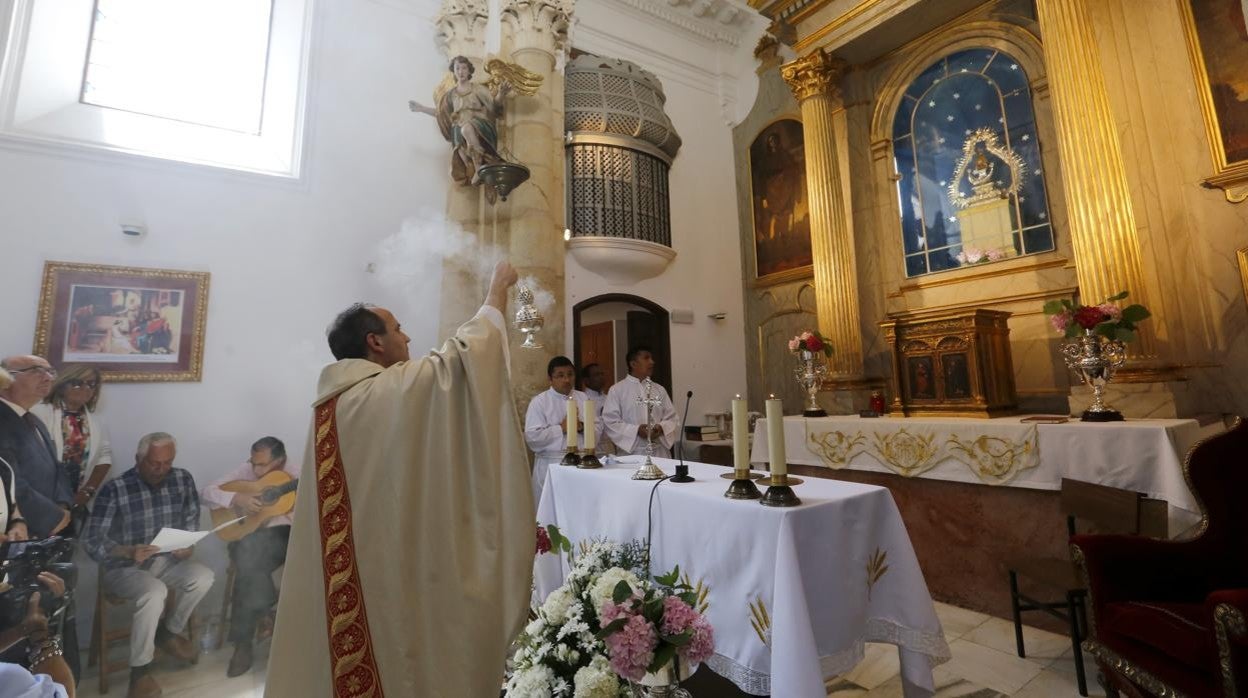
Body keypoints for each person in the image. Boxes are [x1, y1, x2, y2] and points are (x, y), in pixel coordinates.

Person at [265, 261, 533, 698]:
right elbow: (462, 360)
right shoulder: (380, 392)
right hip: (385, 571)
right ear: (374, 342)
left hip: (364, 561)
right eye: (398, 328)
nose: (407, 337)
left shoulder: (334, 404)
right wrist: (496, 293)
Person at [82, 433, 214, 698]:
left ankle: (168, 632)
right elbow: (92, 541)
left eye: (167, 463)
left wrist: (187, 546)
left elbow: (190, 521)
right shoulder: (115, 489)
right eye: (155, 463)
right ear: (138, 459)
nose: (161, 469)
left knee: (204, 576)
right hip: (123, 569)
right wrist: (128, 551)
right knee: (154, 592)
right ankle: (139, 671)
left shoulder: (182, 478)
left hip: (167, 561)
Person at [200, 436, 299, 677]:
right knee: (248, 556)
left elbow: (305, 520)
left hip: (283, 537)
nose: (255, 470)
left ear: (280, 461)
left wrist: (275, 514)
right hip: (246, 538)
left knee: (247, 562)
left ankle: (242, 646)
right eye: (253, 463)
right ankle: (265, 613)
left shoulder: (297, 475)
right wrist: (237, 498)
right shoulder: (246, 470)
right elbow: (206, 493)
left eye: (262, 465)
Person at [409, 55, 511, 186]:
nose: (461, 71)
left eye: (464, 68)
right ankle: (475, 166)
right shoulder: (450, 95)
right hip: (459, 133)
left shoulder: (478, 89)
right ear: (454, 72)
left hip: (481, 128)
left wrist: (501, 94)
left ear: (469, 71)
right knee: (460, 143)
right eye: (458, 68)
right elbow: (441, 114)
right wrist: (422, 108)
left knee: (466, 128)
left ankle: (479, 167)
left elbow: (494, 107)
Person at [0, 356, 73, 539]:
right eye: (36, 371)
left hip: (45, 529)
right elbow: (8, 479)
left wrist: (63, 506)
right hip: (16, 528)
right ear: (6, 379)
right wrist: (51, 516)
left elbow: (56, 467)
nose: (48, 377)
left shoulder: (35, 420)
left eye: (50, 372)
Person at [30, 366, 113, 519]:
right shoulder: (38, 413)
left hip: (77, 503)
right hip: (40, 499)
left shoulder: (96, 422)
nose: (85, 388)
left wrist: (88, 491)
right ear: (62, 385)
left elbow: (104, 458)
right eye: (77, 383)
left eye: (91, 384)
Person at [524, 356, 599, 503]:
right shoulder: (539, 402)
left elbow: (597, 428)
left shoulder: (583, 398)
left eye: (570, 374)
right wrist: (562, 428)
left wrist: (582, 426)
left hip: (581, 464)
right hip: (551, 466)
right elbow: (533, 437)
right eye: (560, 375)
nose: (566, 380)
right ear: (550, 379)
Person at [601, 346, 680, 457]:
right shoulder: (617, 390)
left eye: (651, 358)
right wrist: (636, 430)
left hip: (659, 453)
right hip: (632, 455)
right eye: (646, 358)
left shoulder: (659, 390)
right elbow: (610, 422)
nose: (652, 362)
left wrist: (660, 428)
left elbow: (672, 418)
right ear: (633, 364)